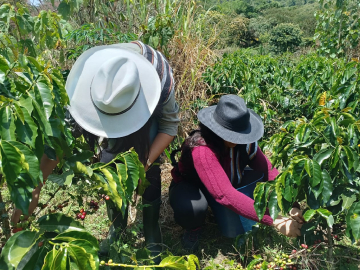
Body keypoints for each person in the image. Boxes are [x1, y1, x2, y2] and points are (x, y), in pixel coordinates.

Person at [11, 41, 179, 261]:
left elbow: (169, 126)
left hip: (149, 123)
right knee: (109, 162)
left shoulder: (160, 76)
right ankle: (116, 227)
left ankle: (151, 231)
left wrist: (143, 165)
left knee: (150, 169)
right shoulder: (81, 84)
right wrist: (31, 192)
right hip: (111, 111)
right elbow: (56, 146)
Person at [169, 95, 303, 251]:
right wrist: (275, 220)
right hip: (193, 186)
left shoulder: (245, 142)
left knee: (255, 180)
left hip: (223, 179)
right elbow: (224, 195)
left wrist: (290, 204)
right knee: (192, 209)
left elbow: (268, 170)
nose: (237, 139)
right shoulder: (202, 149)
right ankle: (193, 228)